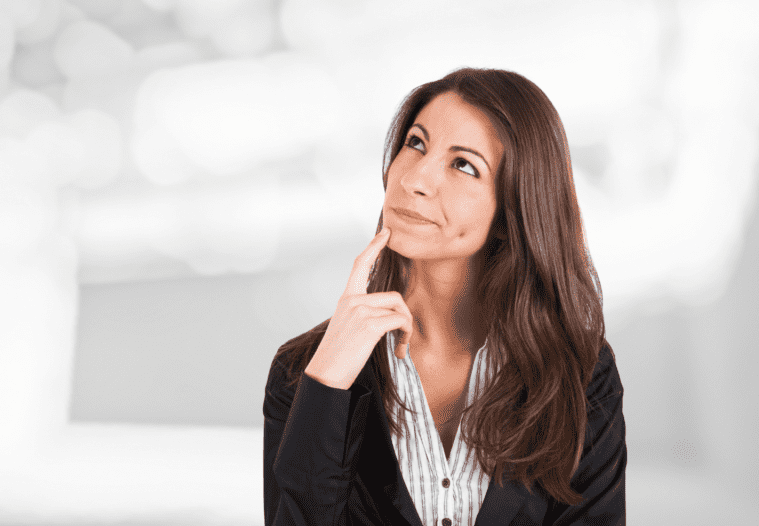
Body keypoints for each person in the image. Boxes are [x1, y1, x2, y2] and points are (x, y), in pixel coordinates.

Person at [263, 68, 626, 526]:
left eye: (463, 165)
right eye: (416, 143)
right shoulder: (305, 371)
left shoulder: (577, 369)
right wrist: (327, 387)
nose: (415, 178)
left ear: (516, 205)